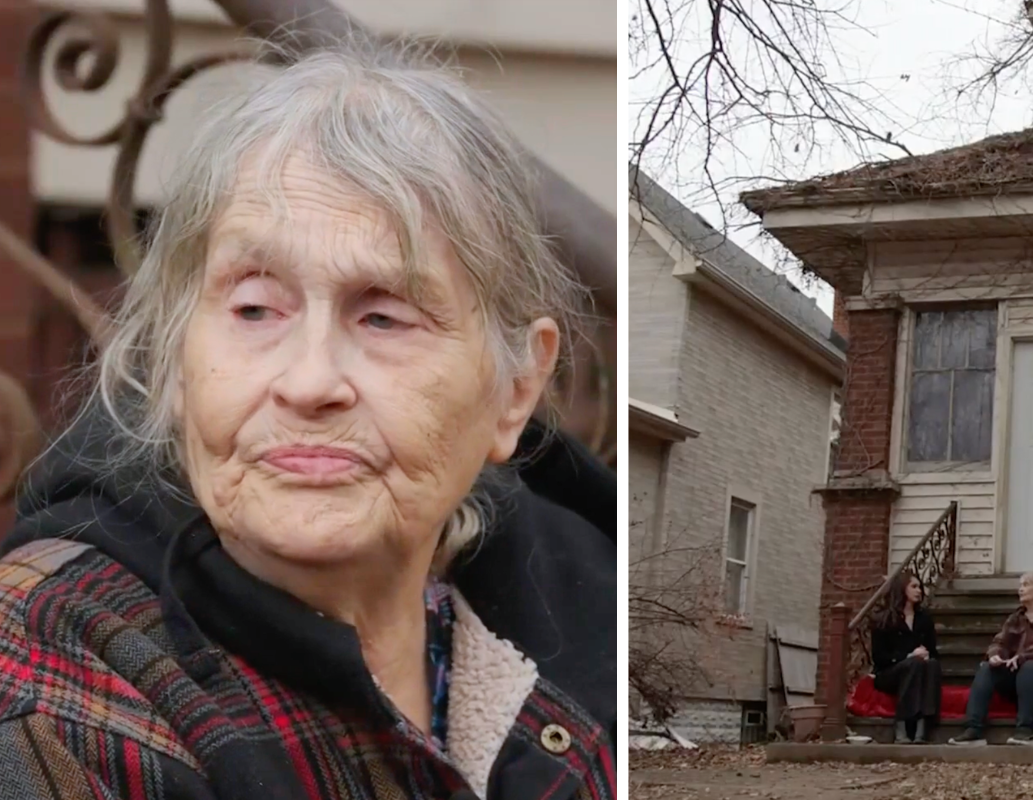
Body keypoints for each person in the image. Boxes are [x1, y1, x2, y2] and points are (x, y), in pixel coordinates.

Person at [0, 41, 615, 799]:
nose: (310, 380)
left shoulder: (572, 607)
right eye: (255, 307)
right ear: (175, 362)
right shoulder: (51, 690)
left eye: (385, 317)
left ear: (517, 387)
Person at [948, 572, 1033, 747]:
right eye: (1020, 585)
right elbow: (999, 641)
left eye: (1026, 585)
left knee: (1030, 666)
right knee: (986, 668)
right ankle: (973, 730)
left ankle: (1024, 732)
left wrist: (1024, 656)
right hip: (1017, 678)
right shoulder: (1016, 618)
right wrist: (995, 655)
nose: (1020, 589)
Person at [869, 571, 941, 743]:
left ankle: (921, 730)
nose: (919, 591)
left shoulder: (924, 619)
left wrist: (926, 654)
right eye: (914, 587)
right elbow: (879, 657)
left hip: (918, 670)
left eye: (920, 587)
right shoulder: (885, 619)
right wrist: (909, 656)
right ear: (902, 589)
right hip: (889, 672)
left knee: (931, 665)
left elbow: (933, 650)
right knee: (913, 664)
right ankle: (902, 728)